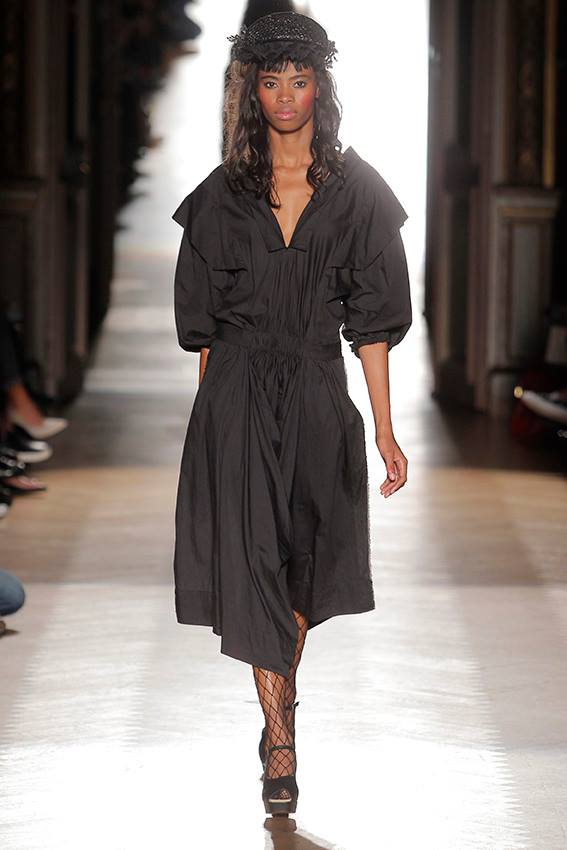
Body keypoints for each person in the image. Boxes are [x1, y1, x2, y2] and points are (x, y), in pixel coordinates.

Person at [171, 10, 413, 815]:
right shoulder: (218, 198)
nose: (284, 95)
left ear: (320, 89)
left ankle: (281, 703)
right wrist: (209, 433)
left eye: (298, 80)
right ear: (252, 93)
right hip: (237, 395)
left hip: (315, 392)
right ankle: (280, 740)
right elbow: (204, 331)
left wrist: (384, 429)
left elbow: (372, 324)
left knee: (302, 562)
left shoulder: (359, 194)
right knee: (253, 562)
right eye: (270, 81)